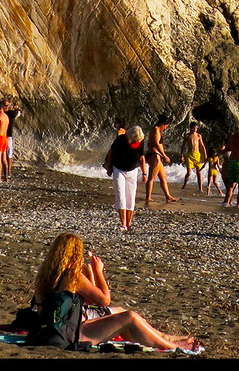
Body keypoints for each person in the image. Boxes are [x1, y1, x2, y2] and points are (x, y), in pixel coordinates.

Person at [31, 233, 198, 351]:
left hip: (48, 329)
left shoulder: (44, 274)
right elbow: (104, 300)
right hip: (71, 333)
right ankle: (173, 346)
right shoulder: (72, 276)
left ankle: (163, 338)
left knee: (120, 320)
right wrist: (98, 271)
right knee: (129, 317)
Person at [104, 123, 146, 231]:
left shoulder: (140, 143)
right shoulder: (121, 140)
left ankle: (129, 223)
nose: (137, 141)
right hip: (119, 169)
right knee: (120, 195)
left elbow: (141, 158)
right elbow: (110, 153)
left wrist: (144, 173)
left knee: (131, 197)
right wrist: (109, 167)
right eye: (136, 139)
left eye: (138, 140)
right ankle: (123, 224)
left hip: (132, 171)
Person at [142, 117, 177, 205]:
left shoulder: (157, 130)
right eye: (166, 126)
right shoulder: (156, 130)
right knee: (152, 178)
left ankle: (168, 196)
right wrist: (164, 155)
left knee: (163, 177)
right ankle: (148, 197)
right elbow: (157, 144)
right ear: (162, 124)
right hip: (155, 155)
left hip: (157, 156)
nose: (166, 128)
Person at [179, 122, 206, 190]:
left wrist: (205, 154)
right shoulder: (187, 136)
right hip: (189, 155)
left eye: (196, 128)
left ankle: (200, 188)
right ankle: (184, 185)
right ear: (190, 128)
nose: (194, 129)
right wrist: (182, 155)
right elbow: (183, 146)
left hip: (197, 155)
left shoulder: (198, 136)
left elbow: (202, 146)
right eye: (193, 128)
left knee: (199, 172)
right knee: (189, 172)